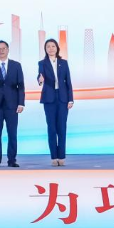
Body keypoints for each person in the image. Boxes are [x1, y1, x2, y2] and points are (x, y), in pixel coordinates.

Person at [37, 38, 74, 166]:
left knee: (62, 128)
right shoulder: (42, 63)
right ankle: (54, 157)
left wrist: (70, 99)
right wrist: (40, 80)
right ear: (45, 49)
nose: (51, 48)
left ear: (57, 48)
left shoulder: (64, 63)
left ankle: (61, 156)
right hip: (49, 99)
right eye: (48, 46)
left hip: (63, 98)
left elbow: (68, 81)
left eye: (53, 46)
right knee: (51, 128)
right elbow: (40, 77)